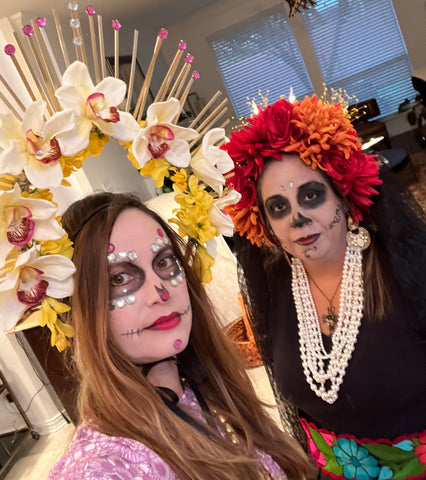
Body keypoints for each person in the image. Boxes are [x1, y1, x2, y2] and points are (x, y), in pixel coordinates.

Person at [222, 95, 426, 480]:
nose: (297, 218)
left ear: (344, 196)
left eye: (311, 195)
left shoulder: (404, 269)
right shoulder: (275, 286)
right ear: (264, 221)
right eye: (278, 207)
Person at [48, 192, 311, 480]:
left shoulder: (203, 388)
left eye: (163, 262)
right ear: (83, 310)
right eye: (119, 278)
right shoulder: (102, 467)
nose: (160, 293)